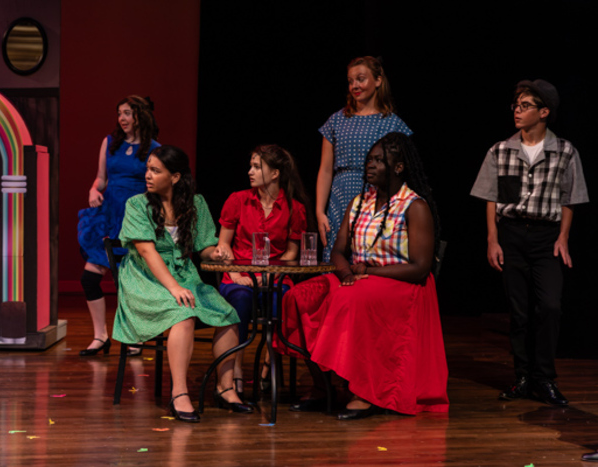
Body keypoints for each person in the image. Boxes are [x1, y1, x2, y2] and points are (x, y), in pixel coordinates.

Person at [276, 132, 449, 419]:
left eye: (379, 160)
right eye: (369, 159)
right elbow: (339, 250)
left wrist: (366, 272)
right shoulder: (359, 202)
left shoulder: (414, 206)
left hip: (401, 282)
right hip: (357, 277)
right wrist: (345, 273)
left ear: (398, 167)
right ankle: (323, 386)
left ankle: (363, 392)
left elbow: (420, 267)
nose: (370, 165)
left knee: (349, 299)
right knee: (298, 297)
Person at [112, 145, 253, 422]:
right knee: (184, 314)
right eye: (148, 170)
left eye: (156, 170)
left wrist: (218, 253)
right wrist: (173, 288)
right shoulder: (137, 204)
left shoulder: (195, 203)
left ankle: (225, 387)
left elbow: (204, 248)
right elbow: (146, 252)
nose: (148, 176)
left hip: (184, 275)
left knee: (228, 314)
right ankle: (179, 394)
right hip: (145, 279)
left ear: (175, 177)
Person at [470, 79, 589, 405]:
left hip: (546, 237)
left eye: (525, 106)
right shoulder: (500, 150)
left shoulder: (564, 150)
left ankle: (544, 378)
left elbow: (570, 198)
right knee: (519, 312)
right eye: (516, 106)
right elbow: (491, 198)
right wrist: (493, 241)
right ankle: (522, 377)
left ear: (544, 112)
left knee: (550, 307)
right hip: (511, 234)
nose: (518, 112)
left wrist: (563, 237)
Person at [216, 144, 308, 399]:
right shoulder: (238, 200)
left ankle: (270, 364)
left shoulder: (295, 208)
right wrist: (235, 274)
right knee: (241, 301)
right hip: (239, 274)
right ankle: (235, 371)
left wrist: (273, 274)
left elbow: (291, 253)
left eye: (257, 166)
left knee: (282, 301)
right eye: (251, 166)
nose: (250, 171)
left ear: (275, 173)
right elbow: (224, 244)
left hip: (274, 276)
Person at [77, 96, 160, 357]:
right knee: (89, 277)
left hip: (134, 218)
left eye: (127, 113)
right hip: (108, 216)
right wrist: (93, 189)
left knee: (130, 282)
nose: (122, 119)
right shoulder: (110, 143)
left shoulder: (154, 149)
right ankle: (100, 336)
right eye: (119, 113)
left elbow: (156, 186)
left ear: (140, 116)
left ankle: (135, 335)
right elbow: (101, 178)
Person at [316, 56, 412, 262]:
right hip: (340, 198)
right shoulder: (336, 120)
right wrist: (319, 211)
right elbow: (325, 170)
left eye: (361, 79)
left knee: (367, 256)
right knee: (337, 260)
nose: (354, 86)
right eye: (350, 81)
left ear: (378, 80)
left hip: (376, 197)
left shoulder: (392, 124)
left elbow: (403, 172)